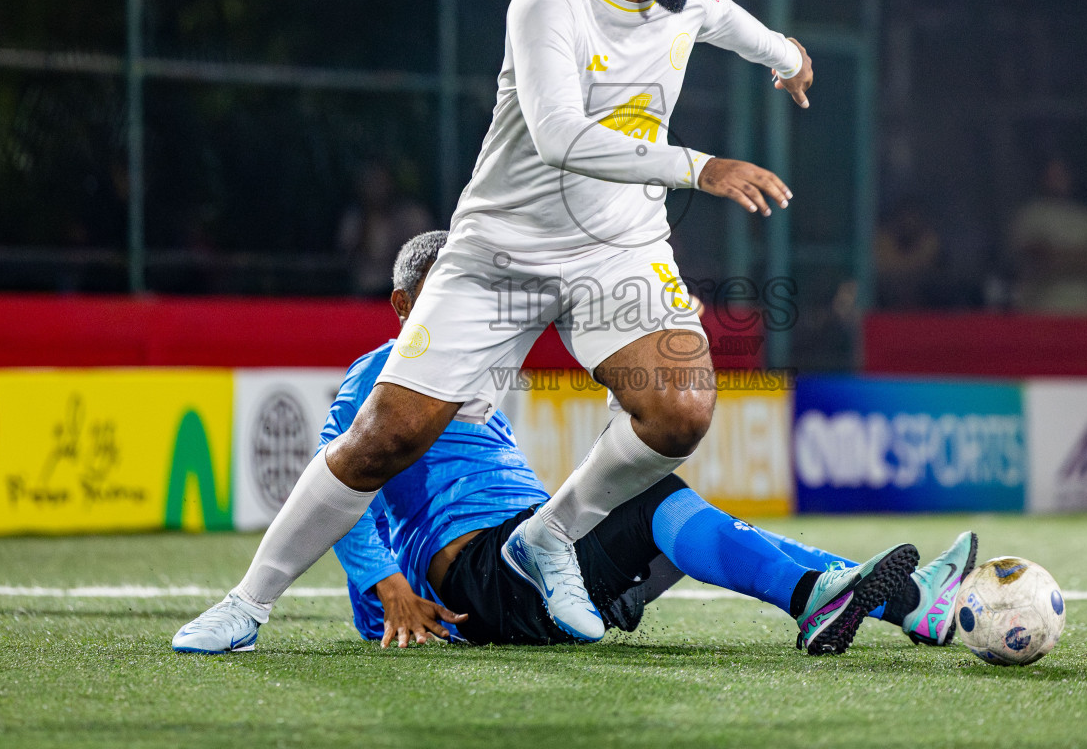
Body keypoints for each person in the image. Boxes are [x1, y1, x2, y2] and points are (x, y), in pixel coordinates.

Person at [175, 0, 816, 647]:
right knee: (387, 434)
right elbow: (558, 135)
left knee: (680, 409)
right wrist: (701, 166)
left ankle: (549, 538)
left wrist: (788, 57)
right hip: (499, 253)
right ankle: (248, 603)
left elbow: (738, 24)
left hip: (615, 250)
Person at [176, 232, 976, 655]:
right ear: (402, 304)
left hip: (525, 559)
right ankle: (828, 601)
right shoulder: (383, 372)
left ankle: (911, 607)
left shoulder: (481, 362)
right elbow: (337, 475)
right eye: (443, 296)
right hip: (485, 582)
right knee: (655, 498)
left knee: (660, 497)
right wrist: (384, 585)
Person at [1006, 157, 1087, 315]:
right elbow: (1037, 256)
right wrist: (1081, 256)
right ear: (1043, 178)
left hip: (1083, 312)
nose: (1058, 179)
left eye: (1062, 174)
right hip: (1040, 313)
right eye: (1053, 175)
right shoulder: (1029, 216)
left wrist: (1057, 255)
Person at [337, 163, 434, 296]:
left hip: (407, 296)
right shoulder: (355, 219)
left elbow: (427, 257)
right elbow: (345, 258)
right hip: (362, 296)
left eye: (380, 181)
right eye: (370, 182)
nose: (376, 188)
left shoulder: (413, 216)